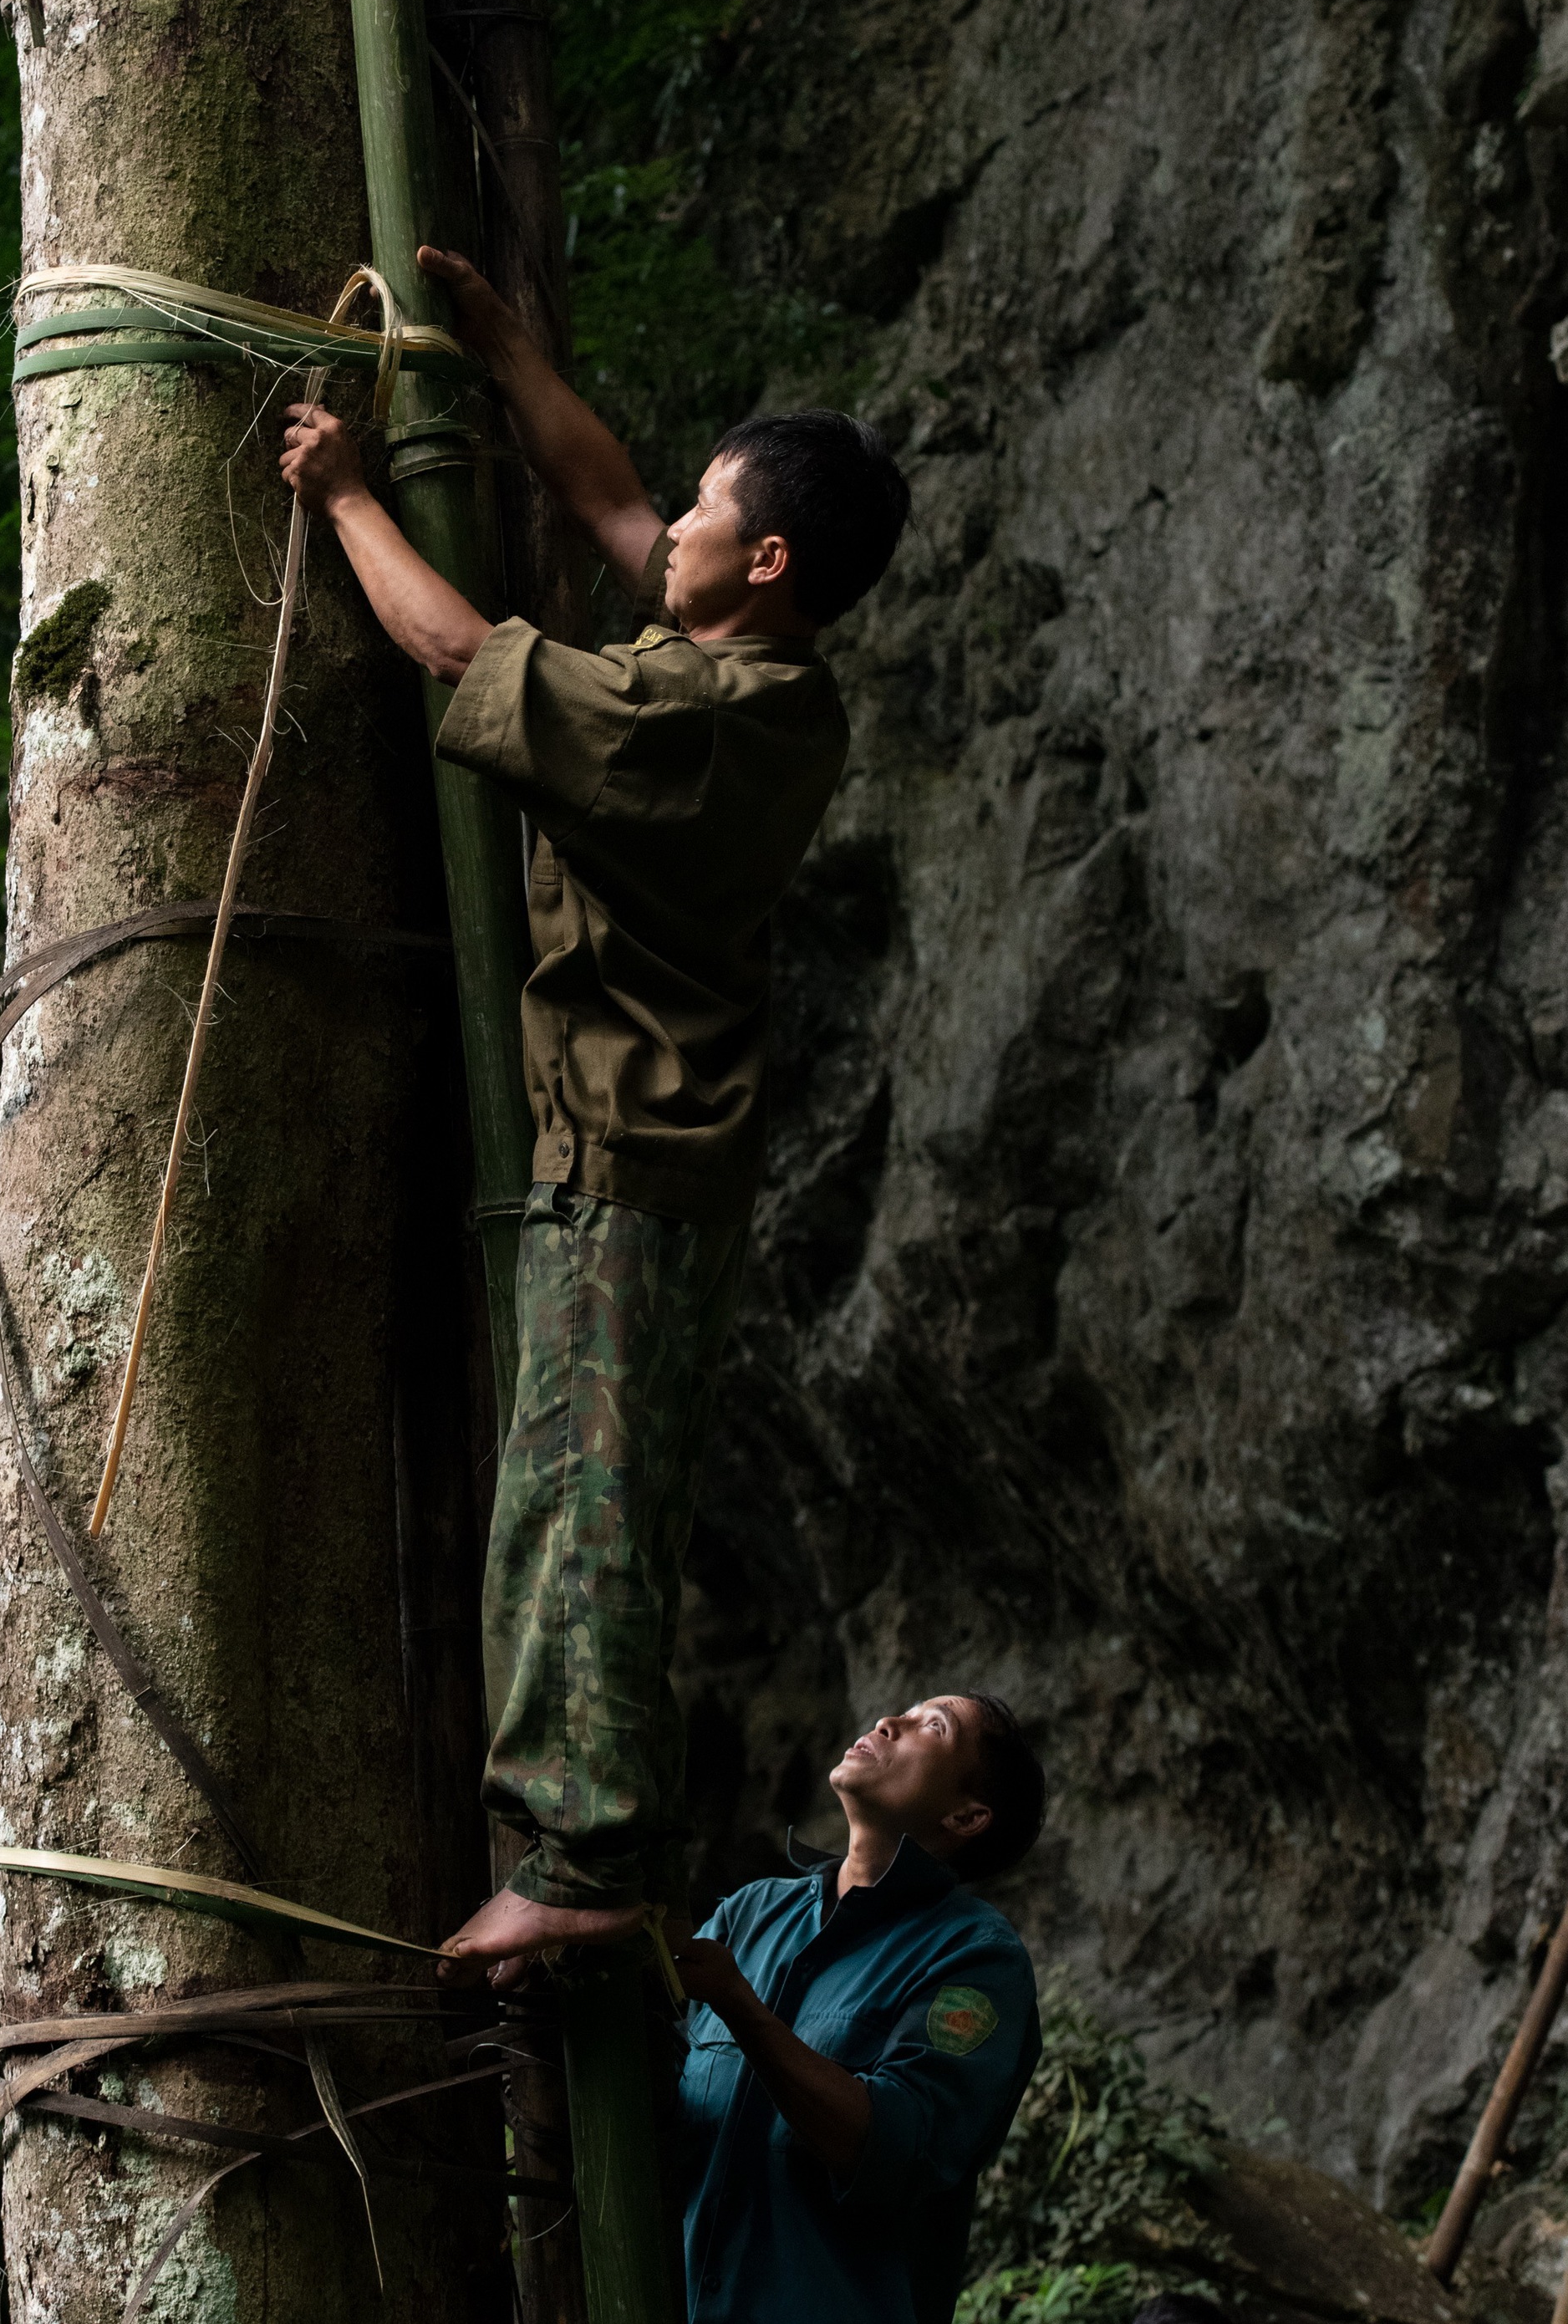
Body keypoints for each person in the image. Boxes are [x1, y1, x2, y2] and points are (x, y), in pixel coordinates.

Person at [278, 243, 910, 1965]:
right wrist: (496, 347)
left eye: (713, 513)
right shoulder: (759, 666)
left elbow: (457, 650)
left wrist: (341, 496)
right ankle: (580, 1843)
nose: (671, 526)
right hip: (626, 1144)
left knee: (582, 1511)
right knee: (577, 1495)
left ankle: (585, 1855)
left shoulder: (698, 717)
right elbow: (609, 493)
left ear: (763, 564)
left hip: (631, 1153)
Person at [679, 1693, 1045, 2324]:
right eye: (903, 1710)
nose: (888, 1722)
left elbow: (893, 2147)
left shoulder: (976, 1962)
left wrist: (741, 2006)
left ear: (966, 1815)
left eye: (934, 1725)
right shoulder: (749, 1911)